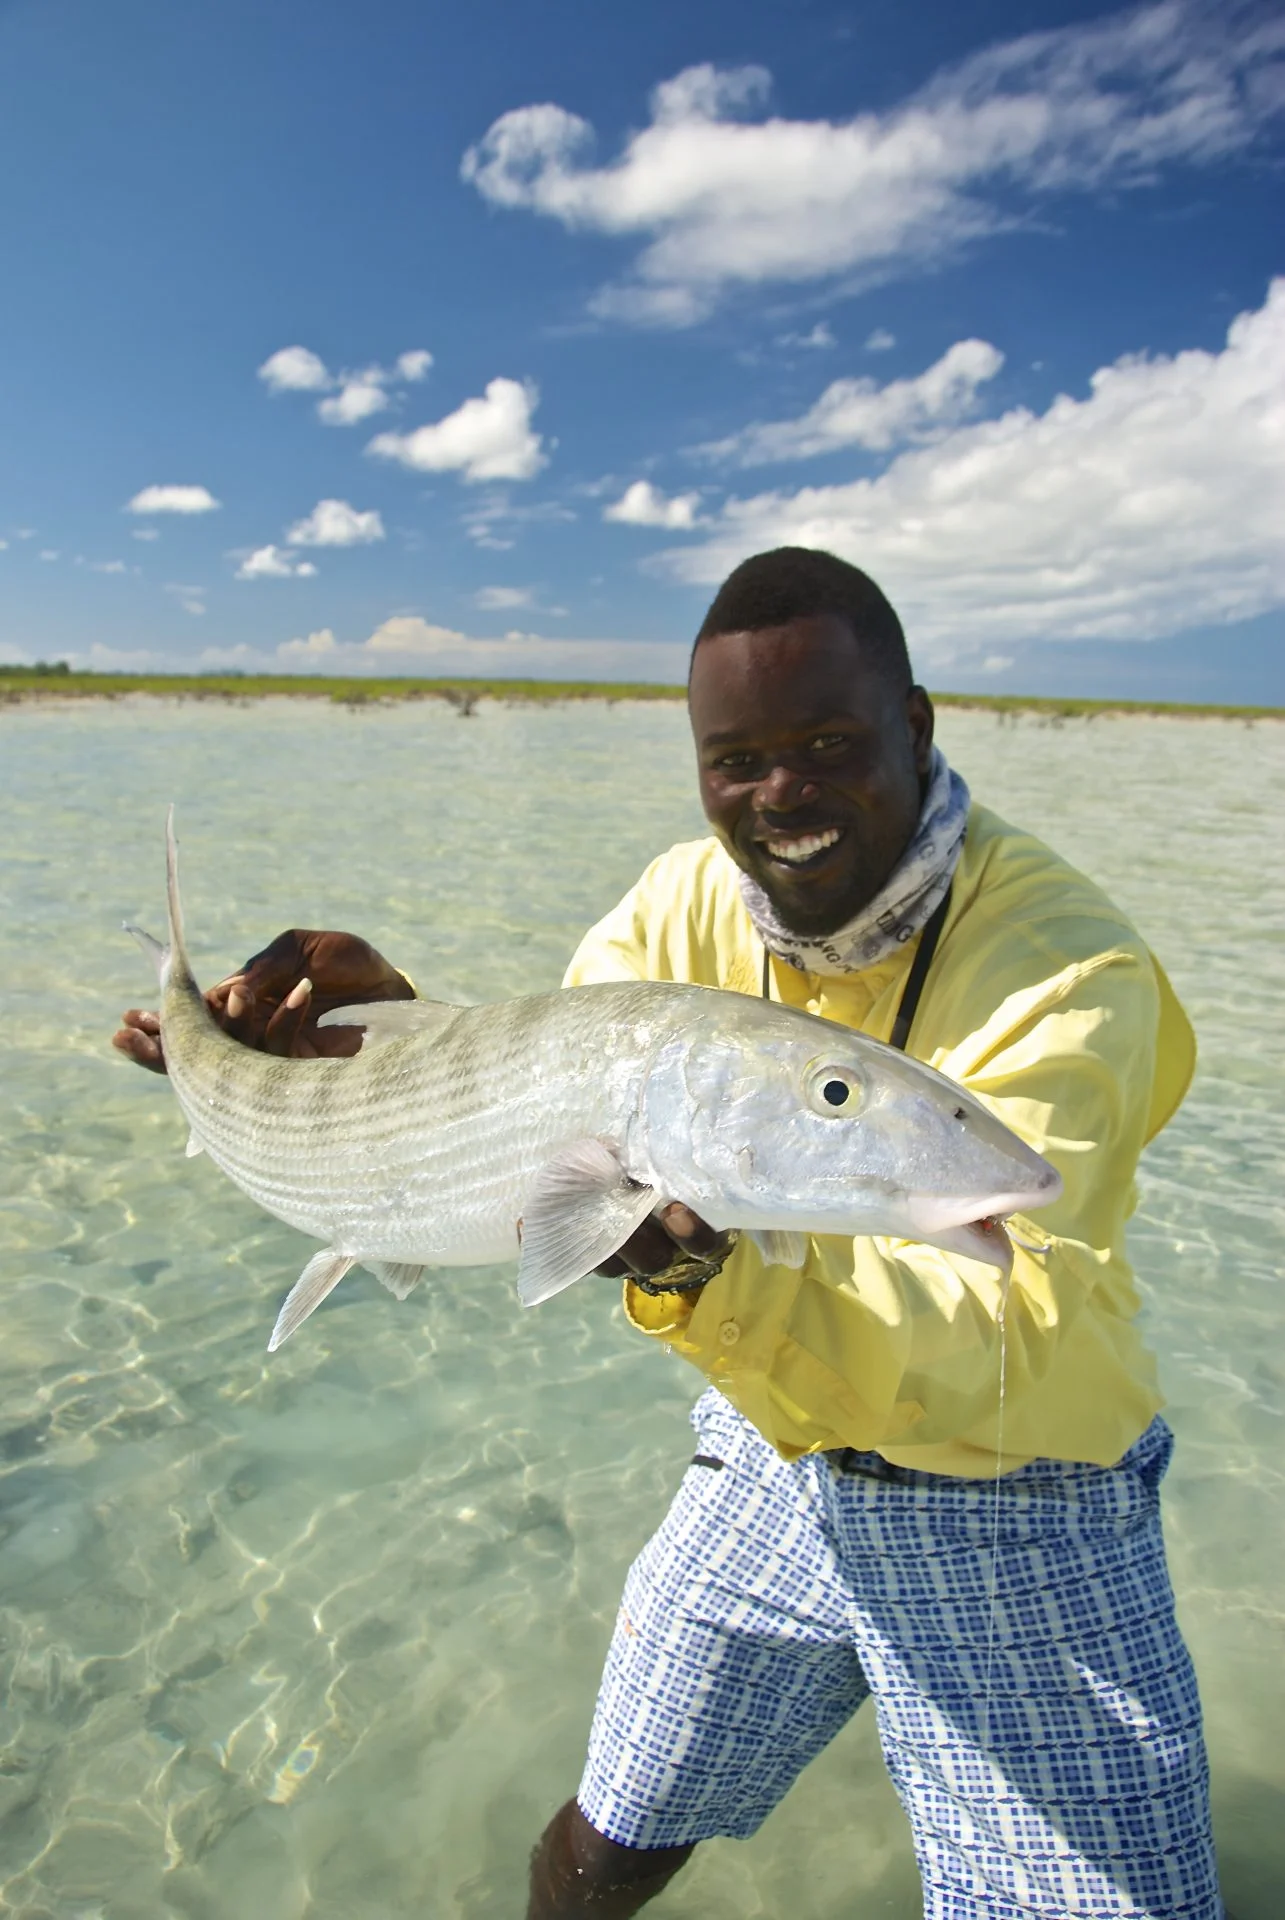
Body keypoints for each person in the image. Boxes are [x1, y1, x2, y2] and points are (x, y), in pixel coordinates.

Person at [114, 549, 1223, 1918]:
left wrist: (705, 1272)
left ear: (916, 725)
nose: (781, 796)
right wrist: (394, 1036)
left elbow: (1004, 1325)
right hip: (775, 1453)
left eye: (827, 744)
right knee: (605, 1848)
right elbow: (544, 1095)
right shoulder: (679, 904)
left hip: (1025, 1486)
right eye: (736, 761)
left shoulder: (1070, 970)